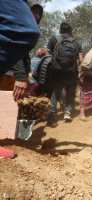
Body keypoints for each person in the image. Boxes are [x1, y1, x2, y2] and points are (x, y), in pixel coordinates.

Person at [0, 0, 41, 159]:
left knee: (8, 113)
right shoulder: (16, 26)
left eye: (39, 14)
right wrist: (21, 75)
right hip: (10, 74)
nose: (36, 16)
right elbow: (15, 46)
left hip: (12, 72)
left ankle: (9, 140)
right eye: (34, 12)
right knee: (24, 30)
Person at [47, 22, 83, 125]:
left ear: (60, 30)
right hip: (71, 72)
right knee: (70, 93)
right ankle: (68, 113)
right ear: (71, 31)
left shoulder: (54, 39)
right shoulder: (76, 42)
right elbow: (80, 59)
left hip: (57, 72)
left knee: (55, 93)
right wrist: (80, 71)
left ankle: (53, 115)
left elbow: (47, 53)